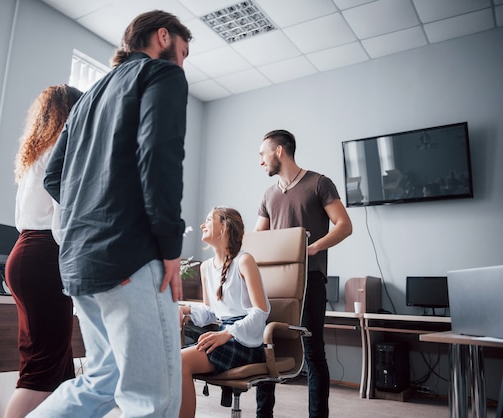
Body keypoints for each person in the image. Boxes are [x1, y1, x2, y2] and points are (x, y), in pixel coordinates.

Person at [28, 10, 193, 418]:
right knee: (153, 399)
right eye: (183, 51)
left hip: (80, 264)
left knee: (101, 382)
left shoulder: (87, 100)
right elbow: (159, 159)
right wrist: (171, 248)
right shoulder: (161, 75)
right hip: (130, 258)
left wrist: (94, 206)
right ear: (162, 36)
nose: (183, 63)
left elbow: (54, 177)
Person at [254, 129, 352, 418]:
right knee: (267, 346)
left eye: (263, 154)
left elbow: (344, 225)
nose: (260, 161)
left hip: (311, 280)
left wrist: (311, 248)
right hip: (274, 286)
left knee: (313, 352)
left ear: (279, 151)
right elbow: (259, 238)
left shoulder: (319, 183)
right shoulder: (268, 195)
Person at [4, 84, 83, 418]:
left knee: (59, 367)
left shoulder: (38, 151)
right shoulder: (59, 152)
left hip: (26, 253)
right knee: (41, 370)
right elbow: (63, 219)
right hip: (43, 257)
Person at [178, 207, 270, 418]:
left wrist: (227, 333)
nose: (203, 224)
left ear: (224, 227)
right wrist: (186, 309)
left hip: (246, 342)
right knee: (172, 359)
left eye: (209, 220)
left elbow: (261, 312)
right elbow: (212, 311)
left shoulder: (244, 261)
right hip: (222, 336)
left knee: (180, 360)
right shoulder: (206, 267)